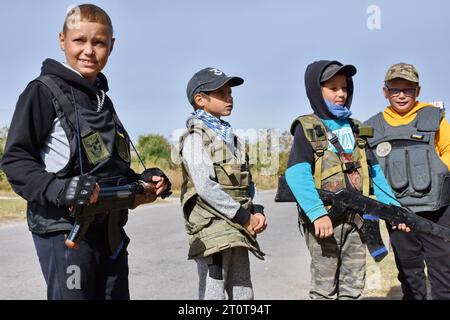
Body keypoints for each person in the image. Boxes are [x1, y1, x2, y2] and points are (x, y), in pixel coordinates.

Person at [1, 4, 169, 300]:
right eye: (80, 40)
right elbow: (16, 160)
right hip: (66, 232)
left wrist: (146, 179)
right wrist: (61, 189)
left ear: (111, 46)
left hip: (112, 234)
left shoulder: (103, 100)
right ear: (62, 40)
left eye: (99, 42)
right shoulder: (42, 91)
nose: (89, 50)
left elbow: (108, 167)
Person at [285, 60, 406, 300]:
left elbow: (374, 172)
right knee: (325, 289)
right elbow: (296, 173)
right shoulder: (307, 127)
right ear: (315, 91)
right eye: (333, 88)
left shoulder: (356, 129)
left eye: (345, 87)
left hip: (357, 222)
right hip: (325, 222)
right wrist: (317, 213)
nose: (341, 93)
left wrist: (395, 209)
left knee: (353, 287)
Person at [178, 67, 267, 300]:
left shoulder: (231, 137)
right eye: (221, 93)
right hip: (214, 227)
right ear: (200, 100)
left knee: (243, 289)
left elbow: (248, 179)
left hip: (238, 225)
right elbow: (206, 187)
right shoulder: (195, 138)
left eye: (230, 92)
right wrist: (245, 217)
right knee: (213, 291)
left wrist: (257, 210)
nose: (230, 98)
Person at [365, 62, 450, 300]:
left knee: (444, 275)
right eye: (395, 89)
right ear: (385, 92)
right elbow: (368, 168)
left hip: (438, 212)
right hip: (398, 215)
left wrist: (439, 174)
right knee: (410, 276)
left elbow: (448, 150)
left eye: (408, 89)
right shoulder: (371, 127)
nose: (401, 95)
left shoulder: (435, 118)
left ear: (418, 91)